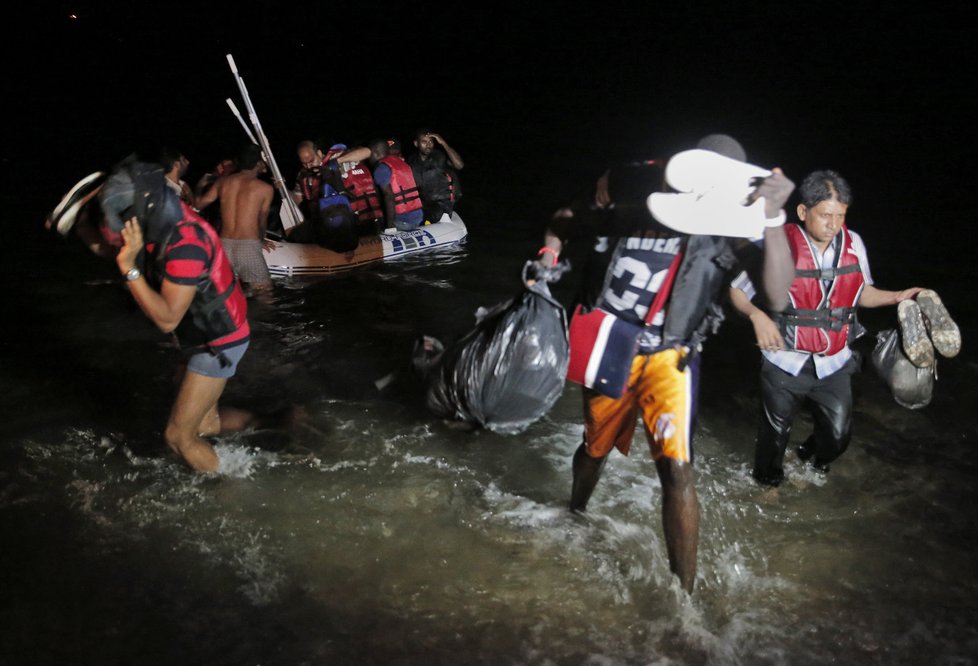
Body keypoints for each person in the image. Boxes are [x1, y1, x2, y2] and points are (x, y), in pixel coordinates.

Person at [537, 134, 795, 593]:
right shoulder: (633, 203)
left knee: (677, 470)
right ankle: (575, 509)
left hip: (670, 357)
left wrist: (772, 217)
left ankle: (685, 598)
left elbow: (776, 294)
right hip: (611, 344)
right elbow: (561, 222)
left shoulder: (728, 232)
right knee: (594, 449)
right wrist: (549, 256)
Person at [729, 170, 923, 486]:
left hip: (833, 362)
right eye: (825, 215)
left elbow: (861, 292)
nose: (833, 224)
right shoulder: (777, 243)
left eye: (840, 215)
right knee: (773, 436)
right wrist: (756, 316)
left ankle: (804, 458)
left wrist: (898, 297)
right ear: (803, 212)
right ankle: (767, 485)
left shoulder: (853, 242)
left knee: (837, 437)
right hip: (784, 361)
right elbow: (737, 291)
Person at [103, 158, 253, 472]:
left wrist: (129, 269)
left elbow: (167, 319)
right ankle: (269, 422)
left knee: (177, 436)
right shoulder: (162, 213)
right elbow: (110, 245)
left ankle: (233, 492)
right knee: (206, 425)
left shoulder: (187, 244)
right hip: (204, 334)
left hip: (218, 343)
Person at [197, 144, 275, 293]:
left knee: (224, 294)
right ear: (259, 163)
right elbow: (261, 221)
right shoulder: (265, 189)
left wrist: (200, 186)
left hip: (224, 246)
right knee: (265, 293)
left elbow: (199, 205)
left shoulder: (223, 182)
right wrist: (261, 240)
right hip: (247, 246)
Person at [339, 140, 423, 231]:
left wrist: (389, 226)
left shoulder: (381, 169)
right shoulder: (400, 162)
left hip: (402, 219)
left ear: (375, 153)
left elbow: (389, 197)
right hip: (418, 215)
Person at [408, 129, 464, 223]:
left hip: (442, 205)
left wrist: (443, 143)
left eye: (431, 141)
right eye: (424, 142)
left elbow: (459, 165)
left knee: (431, 215)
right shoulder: (411, 161)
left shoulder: (439, 157)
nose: (428, 145)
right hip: (423, 204)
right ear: (416, 143)